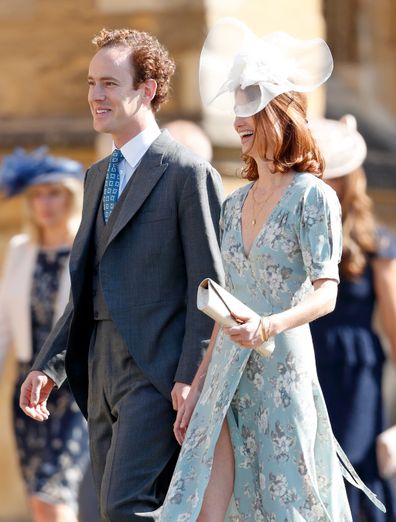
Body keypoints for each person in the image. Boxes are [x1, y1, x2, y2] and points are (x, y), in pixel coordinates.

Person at [160, 18, 385, 521]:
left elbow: (326, 293)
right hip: (223, 371)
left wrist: (271, 324)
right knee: (201, 508)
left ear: (281, 114)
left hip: (281, 362)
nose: (239, 118)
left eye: (251, 106)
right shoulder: (233, 204)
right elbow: (225, 300)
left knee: (287, 505)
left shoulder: (315, 196)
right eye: (235, 106)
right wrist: (197, 385)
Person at [19, 28, 224, 521]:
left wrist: (191, 376)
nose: (95, 96)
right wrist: (50, 365)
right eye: (92, 83)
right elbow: (85, 289)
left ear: (147, 89)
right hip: (98, 372)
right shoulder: (94, 177)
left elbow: (210, 286)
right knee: (117, 510)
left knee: (125, 506)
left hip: (156, 372)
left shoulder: (186, 173)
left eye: (109, 83)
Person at [309, 115, 396, 521]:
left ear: (346, 179)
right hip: (309, 356)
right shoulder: (302, 232)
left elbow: (395, 327)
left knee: (357, 462)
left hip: (357, 367)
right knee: (312, 460)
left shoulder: (374, 241)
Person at [0, 148, 89, 522]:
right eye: (37, 194)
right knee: (38, 496)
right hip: (25, 388)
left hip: (70, 387)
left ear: (70, 197)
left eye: (54, 193)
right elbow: (4, 323)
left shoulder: (86, 251)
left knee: (54, 491)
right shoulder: (20, 250)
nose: (45, 203)